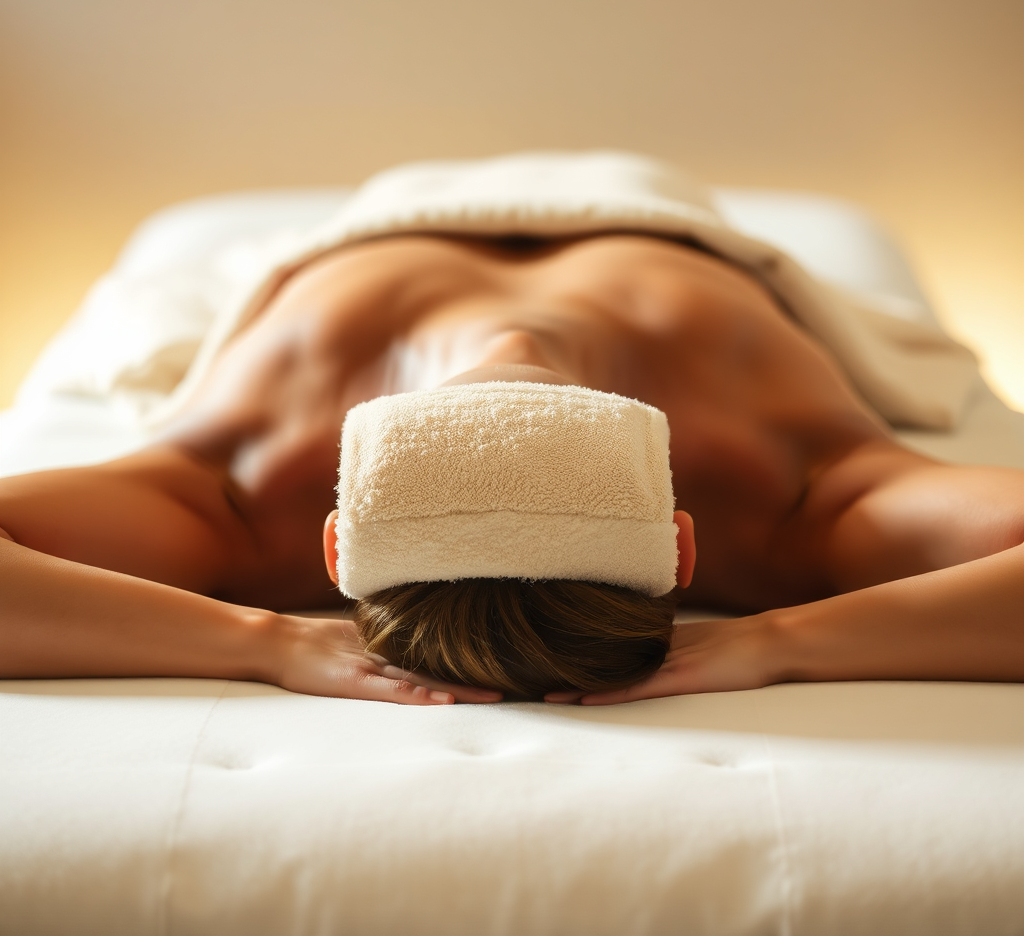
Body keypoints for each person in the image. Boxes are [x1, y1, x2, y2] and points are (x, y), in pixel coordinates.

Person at [2, 203, 1023, 705]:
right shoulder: (793, 496)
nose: (511, 356)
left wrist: (258, 640)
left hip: (373, 230)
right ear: (682, 538)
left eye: (465, 439)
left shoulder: (238, 489)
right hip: (655, 222)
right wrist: (783, 642)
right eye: (545, 433)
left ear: (332, 537)